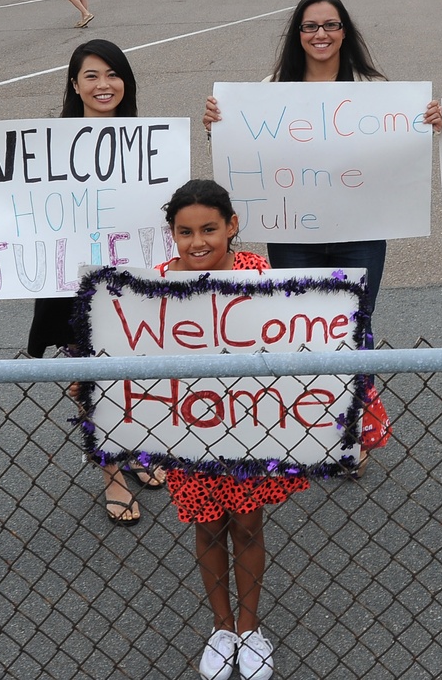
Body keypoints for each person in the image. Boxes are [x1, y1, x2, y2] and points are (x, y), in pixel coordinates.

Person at [203, 0, 441, 477]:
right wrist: (218, 128)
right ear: (297, 35)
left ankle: (352, 433)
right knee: (301, 327)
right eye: (310, 27)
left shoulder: (375, 89)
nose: (320, 35)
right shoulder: (271, 89)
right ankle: (308, 429)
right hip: (294, 232)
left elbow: (395, 151)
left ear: (345, 31)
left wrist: (427, 123)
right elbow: (249, 150)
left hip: (361, 231)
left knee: (353, 326)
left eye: (330, 25)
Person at [0, 40, 165, 526]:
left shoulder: (149, 141)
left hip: (128, 282)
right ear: (73, 84)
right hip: (72, 285)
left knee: (132, 374)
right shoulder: (48, 142)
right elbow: (4, 193)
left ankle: (132, 449)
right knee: (90, 378)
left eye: (112, 74)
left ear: (126, 81)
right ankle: (110, 471)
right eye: (91, 75)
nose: (103, 85)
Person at [158, 178, 308, 680]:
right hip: (189, 433)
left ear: (232, 226)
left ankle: (249, 629)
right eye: (185, 232)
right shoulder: (155, 285)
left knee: (247, 524)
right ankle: (221, 629)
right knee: (206, 526)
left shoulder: (258, 274)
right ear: (172, 235)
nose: (197, 242)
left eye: (209, 229)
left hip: (248, 429)